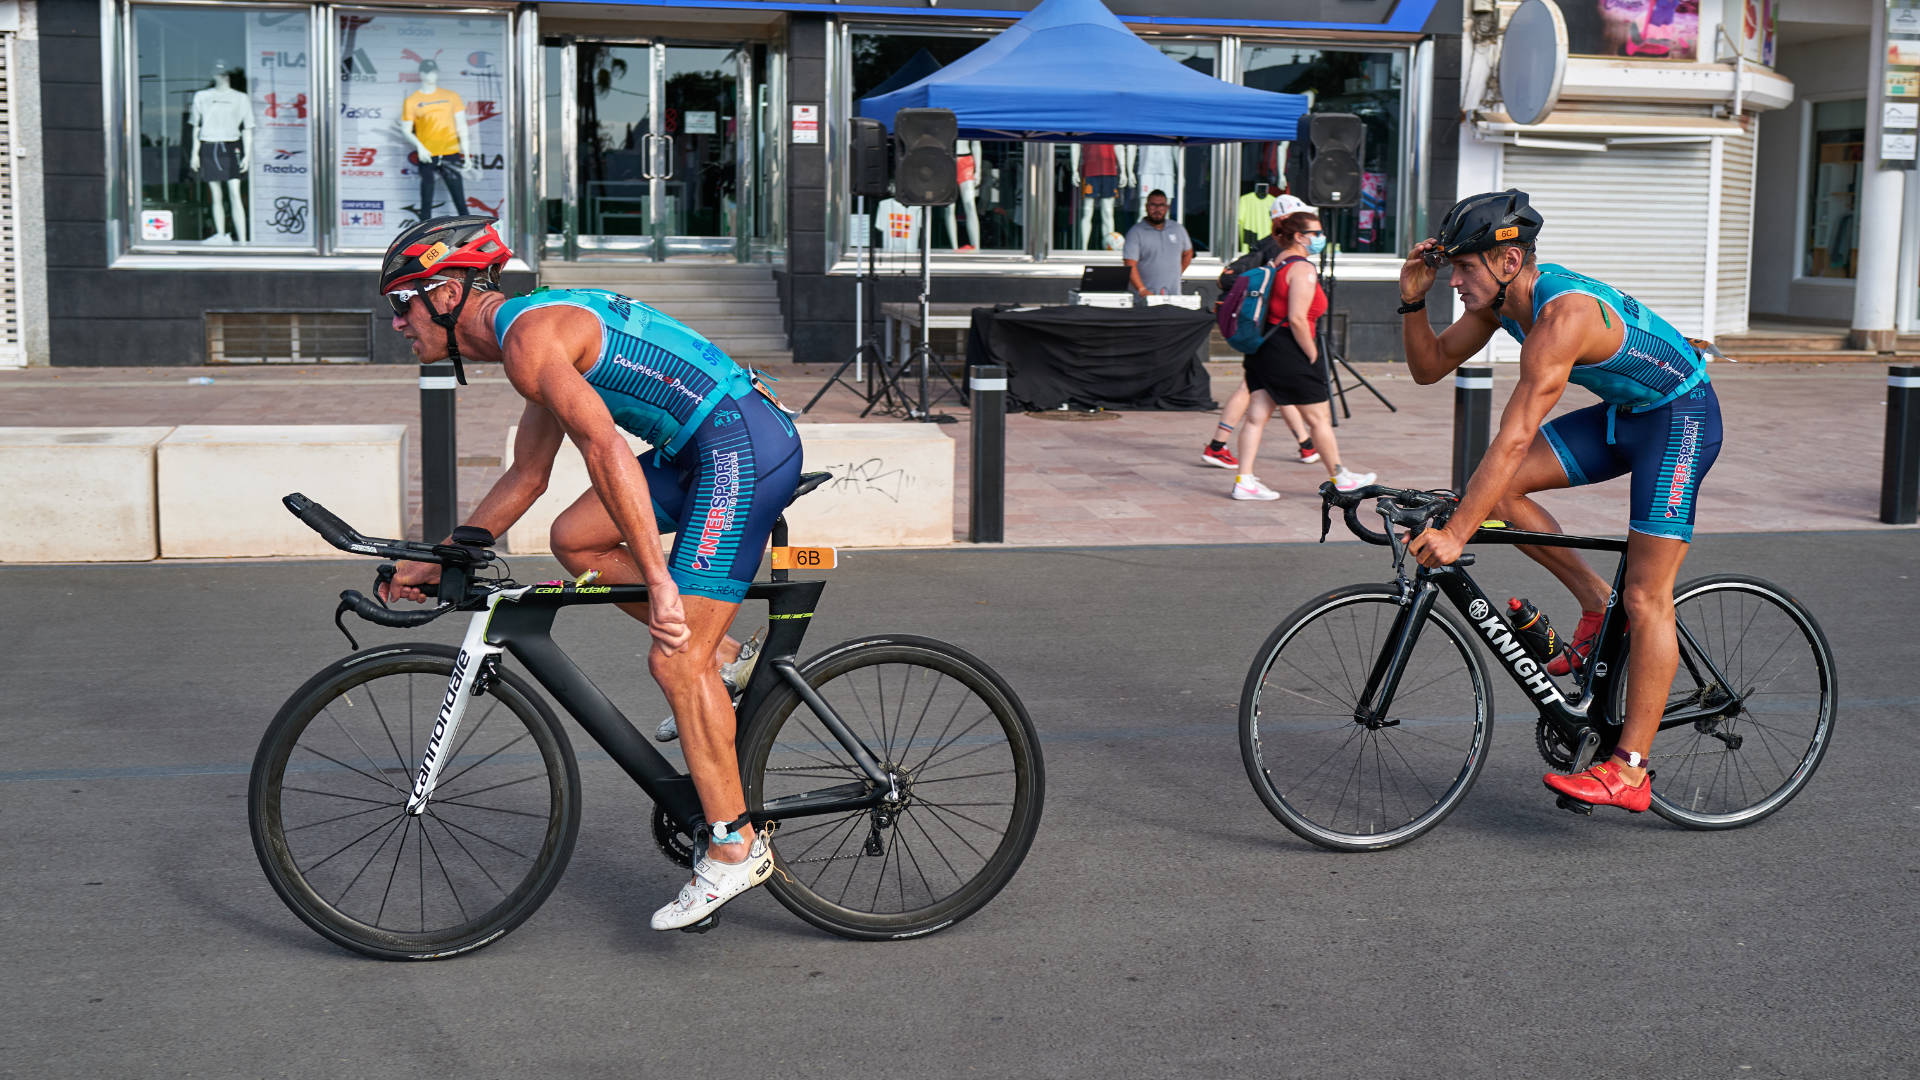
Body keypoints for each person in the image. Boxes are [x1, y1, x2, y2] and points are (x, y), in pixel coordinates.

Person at [374, 216, 799, 928]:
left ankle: (734, 847)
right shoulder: (528, 334)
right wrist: (443, 552)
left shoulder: (528, 343)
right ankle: (727, 663)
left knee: (673, 658)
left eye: (401, 306)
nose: (397, 325)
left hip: (740, 448)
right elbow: (530, 474)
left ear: (445, 295)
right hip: (706, 444)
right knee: (576, 539)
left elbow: (603, 450)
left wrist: (663, 587)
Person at [1397, 189, 1723, 815]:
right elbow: (1428, 365)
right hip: (1627, 414)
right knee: (1497, 493)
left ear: (1509, 262)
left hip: (1681, 418)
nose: (1455, 282)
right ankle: (1594, 599)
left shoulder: (1561, 317)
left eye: (1463, 269)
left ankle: (1630, 770)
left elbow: (1514, 437)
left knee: (1648, 595)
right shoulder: (1503, 303)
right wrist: (1413, 297)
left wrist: (1458, 535)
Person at [1223, 209, 1375, 500]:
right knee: (1318, 418)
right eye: (1316, 233)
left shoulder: (1277, 262)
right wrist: (1313, 355)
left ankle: (1244, 480)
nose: (1320, 238)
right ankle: (1341, 477)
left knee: (1256, 416)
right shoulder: (1303, 269)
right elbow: (1297, 318)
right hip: (1288, 349)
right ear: (1299, 237)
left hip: (1262, 348)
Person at [1203, 193, 1319, 471]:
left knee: (1271, 390)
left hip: (1266, 332)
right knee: (1256, 389)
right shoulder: (1276, 250)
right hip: (1271, 333)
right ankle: (1218, 446)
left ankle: (1306, 445)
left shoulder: (1273, 248)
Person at [1121, 189, 1192, 297]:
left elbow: (1188, 253)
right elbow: (1130, 264)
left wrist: (1177, 274)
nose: (1157, 209)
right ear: (1146, 207)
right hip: (1145, 300)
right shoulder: (1135, 232)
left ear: (1167, 208)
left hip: (1174, 296)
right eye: (1153, 205)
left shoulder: (1177, 229)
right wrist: (1142, 289)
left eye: (1161, 205)